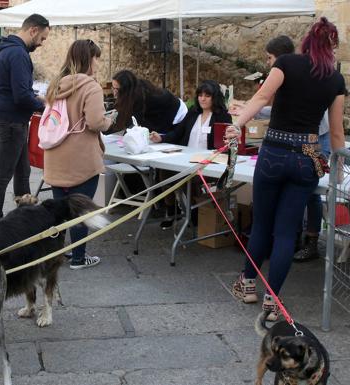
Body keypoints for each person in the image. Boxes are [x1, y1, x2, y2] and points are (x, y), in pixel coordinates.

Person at [227, 17, 345, 320]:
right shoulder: (335, 79)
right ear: (332, 47)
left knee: (262, 225)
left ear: (306, 41)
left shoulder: (287, 63)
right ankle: (272, 301)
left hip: (274, 153)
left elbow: (262, 96)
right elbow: (335, 134)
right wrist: (339, 166)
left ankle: (248, 284)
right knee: (285, 234)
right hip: (306, 158)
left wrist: (237, 125)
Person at [232, 36, 332, 262]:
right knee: (298, 193)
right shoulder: (294, 73)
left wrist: (251, 111)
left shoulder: (302, 74)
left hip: (315, 142)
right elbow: (280, 108)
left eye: (269, 58)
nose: (268, 63)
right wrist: (251, 110)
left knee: (312, 192)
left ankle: (311, 239)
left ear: (281, 58)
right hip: (299, 146)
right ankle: (293, 236)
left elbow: (295, 114)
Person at [43, 39, 114, 269]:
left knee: (60, 210)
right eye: (96, 58)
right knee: (81, 210)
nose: (98, 64)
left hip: (55, 157)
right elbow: (95, 122)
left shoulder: (56, 84)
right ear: (88, 59)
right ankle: (78, 258)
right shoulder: (90, 86)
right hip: (81, 159)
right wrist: (109, 121)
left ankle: (56, 254)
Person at [0, 13, 50, 222]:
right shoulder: (18, 54)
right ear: (33, 30)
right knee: (4, 175)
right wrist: (43, 104)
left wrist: (35, 98)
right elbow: (21, 95)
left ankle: (25, 216)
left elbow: (14, 90)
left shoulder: (7, 50)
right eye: (41, 38)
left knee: (22, 171)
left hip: (8, 119)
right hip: (10, 122)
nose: (41, 44)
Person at [150, 80, 232, 229]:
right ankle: (171, 209)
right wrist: (161, 138)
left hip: (209, 162)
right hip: (186, 159)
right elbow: (178, 132)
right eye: (200, 95)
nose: (203, 98)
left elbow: (225, 143)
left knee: (193, 179)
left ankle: (195, 212)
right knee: (164, 171)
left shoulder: (223, 117)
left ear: (215, 97)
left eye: (207, 95)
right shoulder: (193, 112)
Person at [111, 69, 188, 133]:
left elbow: (134, 121)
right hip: (160, 110)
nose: (114, 92)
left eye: (116, 89)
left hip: (176, 112)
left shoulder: (139, 96)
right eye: (113, 88)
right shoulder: (131, 92)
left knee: (164, 140)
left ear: (125, 89)